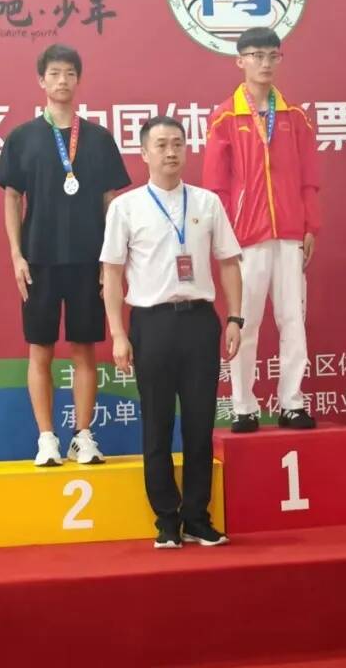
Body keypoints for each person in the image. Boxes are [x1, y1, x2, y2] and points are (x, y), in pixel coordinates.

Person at [101, 116, 244, 549]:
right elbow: (112, 274)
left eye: (178, 144)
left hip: (199, 321)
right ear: (144, 153)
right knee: (157, 423)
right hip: (152, 323)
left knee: (200, 424)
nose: (170, 152)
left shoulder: (206, 202)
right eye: (161, 145)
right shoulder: (126, 207)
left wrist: (235, 318)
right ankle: (166, 519)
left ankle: (197, 517)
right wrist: (118, 333)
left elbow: (229, 263)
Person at [0, 43, 131, 467]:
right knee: (41, 350)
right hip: (39, 260)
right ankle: (47, 439)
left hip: (89, 260)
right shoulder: (22, 137)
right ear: (41, 80)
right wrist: (16, 255)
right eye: (54, 73)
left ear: (79, 80)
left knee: (85, 349)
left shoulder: (99, 139)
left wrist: (110, 262)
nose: (62, 80)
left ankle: (82, 436)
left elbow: (111, 202)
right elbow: (12, 197)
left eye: (70, 73)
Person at [202, 26, 320, 433]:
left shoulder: (295, 116)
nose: (265, 63)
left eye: (272, 55)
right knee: (245, 321)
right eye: (256, 55)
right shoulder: (225, 117)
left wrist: (310, 224)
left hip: (290, 233)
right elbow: (216, 186)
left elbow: (309, 178)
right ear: (240, 61)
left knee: (293, 319)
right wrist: (224, 236)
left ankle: (292, 403)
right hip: (244, 237)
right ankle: (243, 407)